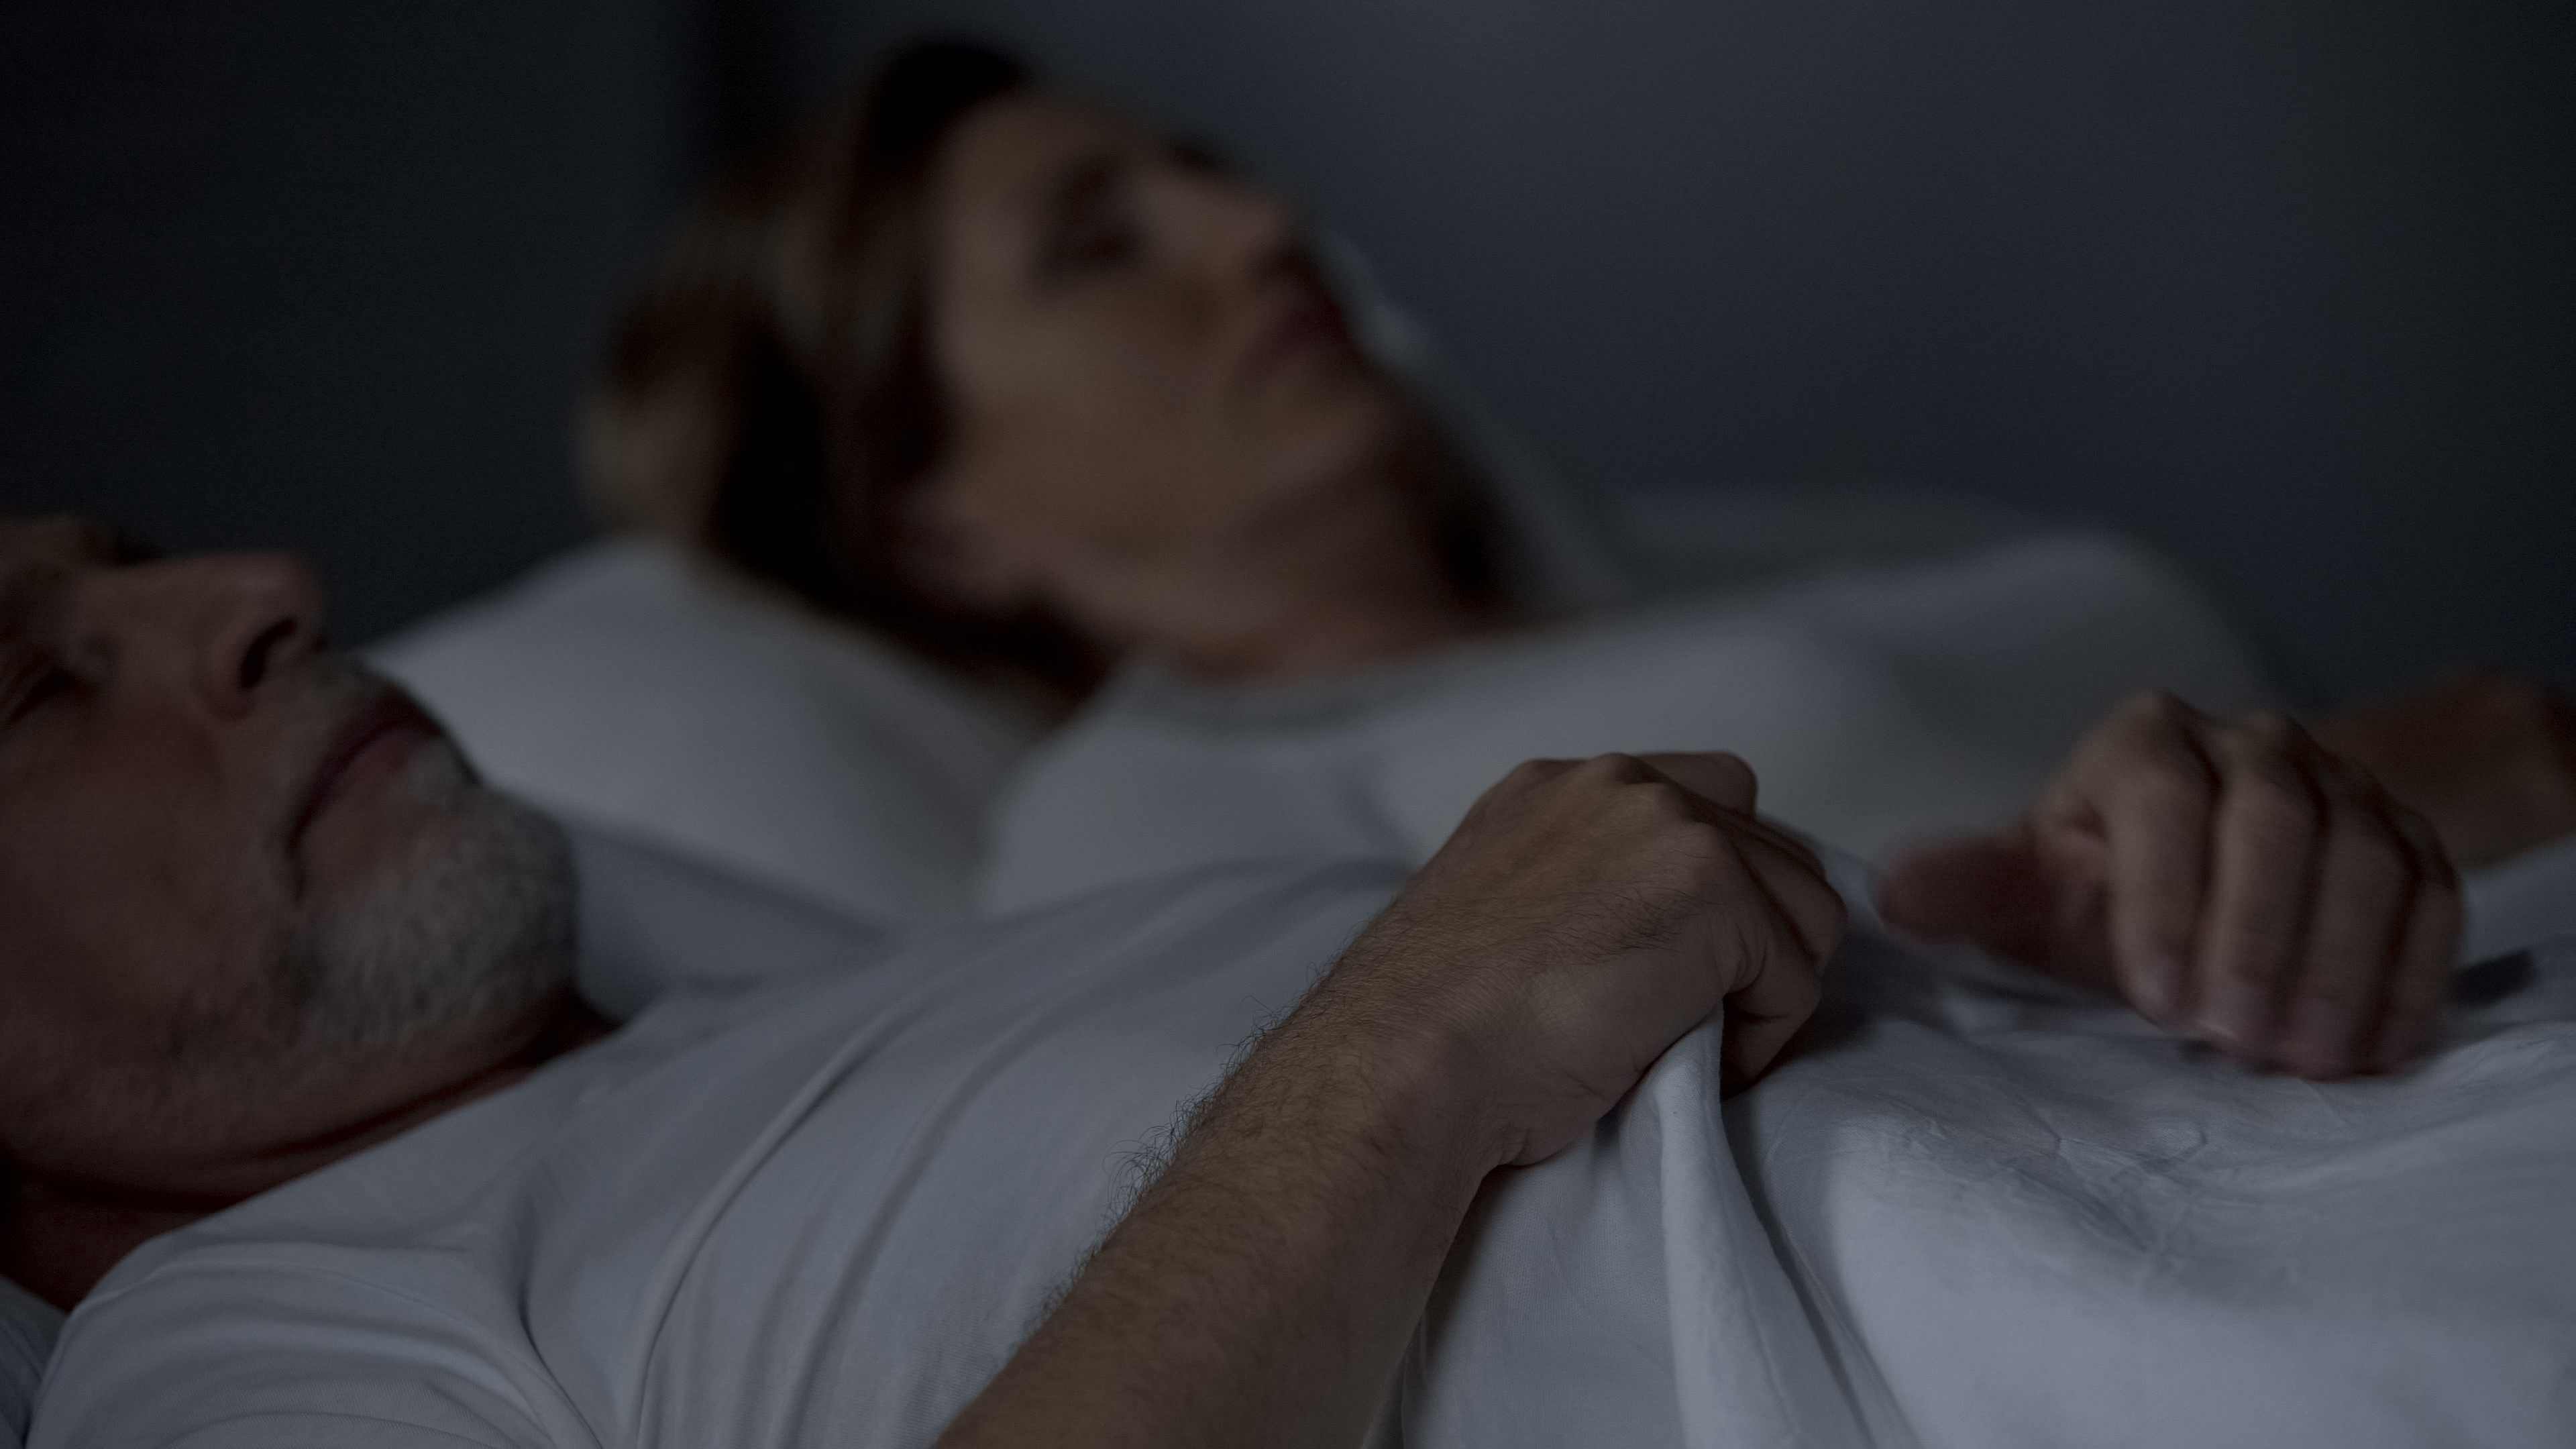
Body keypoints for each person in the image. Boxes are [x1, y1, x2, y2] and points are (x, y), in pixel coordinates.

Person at [8, 509, 2542, 1449]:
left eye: (138, 563)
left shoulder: (841, 1025)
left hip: (2368, 1136)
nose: (251, 590)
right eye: (36, 683)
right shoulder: (228, 1355)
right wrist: (1399, 1052)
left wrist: (2127, 915)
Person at [582, 41, 2576, 1079]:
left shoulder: (1792, 550)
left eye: (1206, 168)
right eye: (1102, 244)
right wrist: (2366, 804)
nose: (1258, 224)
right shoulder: (1157, 819)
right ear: (930, 514)